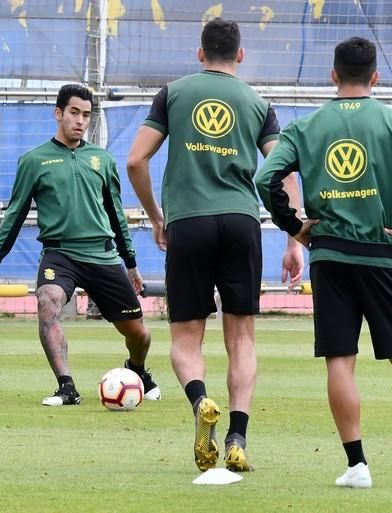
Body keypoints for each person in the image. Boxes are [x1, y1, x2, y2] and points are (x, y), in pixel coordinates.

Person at [255, 36, 392, 488]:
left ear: (333, 76)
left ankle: (357, 467)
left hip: (329, 256)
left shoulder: (305, 127)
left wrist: (295, 227)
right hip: (381, 258)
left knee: (340, 359)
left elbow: (266, 178)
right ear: (374, 77)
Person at [126, 18, 304, 472]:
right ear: (240, 55)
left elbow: (134, 161)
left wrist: (155, 216)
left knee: (187, 338)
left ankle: (201, 400)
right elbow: (284, 172)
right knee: (241, 337)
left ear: (199, 52)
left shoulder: (174, 93)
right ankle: (238, 437)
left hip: (188, 222)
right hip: (242, 222)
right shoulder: (258, 103)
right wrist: (295, 238)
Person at [0, 84, 160, 407]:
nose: (81, 121)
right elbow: (14, 217)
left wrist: (130, 263)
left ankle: (137, 370)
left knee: (139, 334)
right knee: (48, 302)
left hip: (101, 253)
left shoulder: (102, 160)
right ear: (58, 114)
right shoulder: (33, 161)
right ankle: (67, 386)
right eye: (74, 113)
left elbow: (116, 216)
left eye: (86, 115)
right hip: (60, 254)